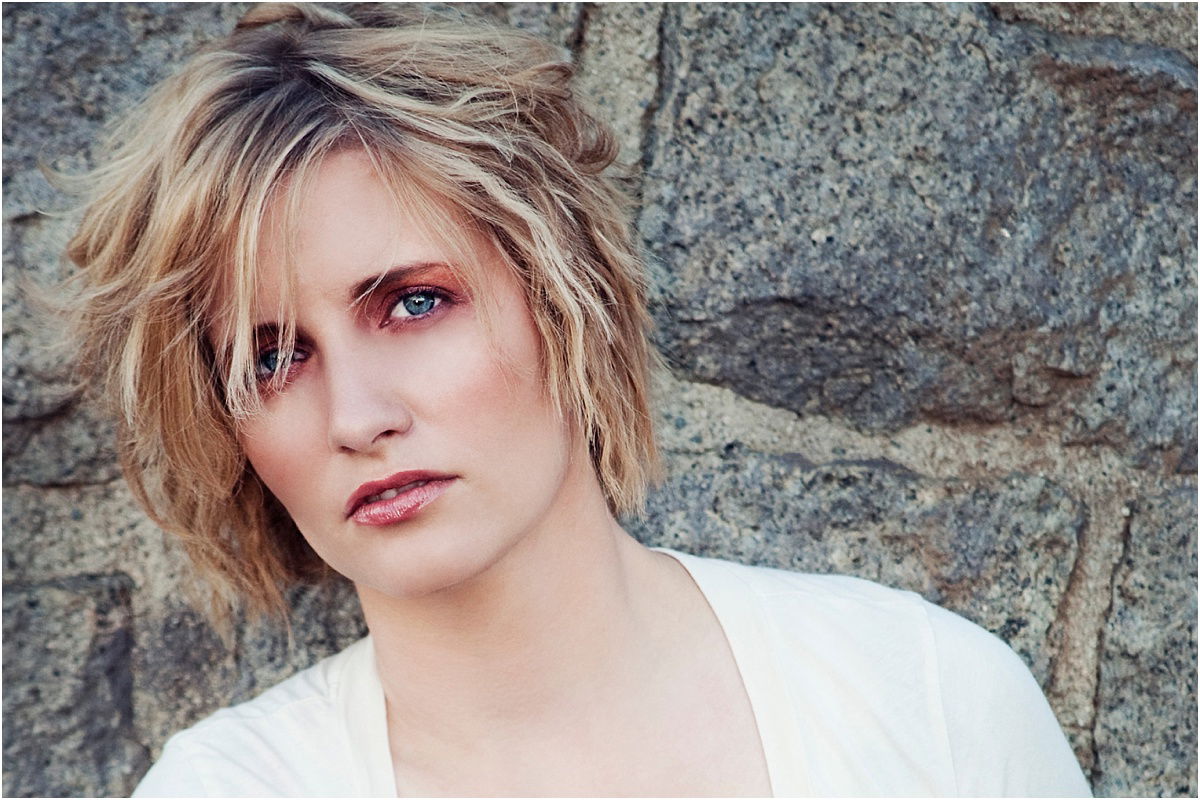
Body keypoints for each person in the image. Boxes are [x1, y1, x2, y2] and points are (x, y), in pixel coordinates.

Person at [63, 4, 1091, 796]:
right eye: (274, 359)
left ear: (565, 296)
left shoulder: (928, 699)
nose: (356, 414)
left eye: (416, 302)